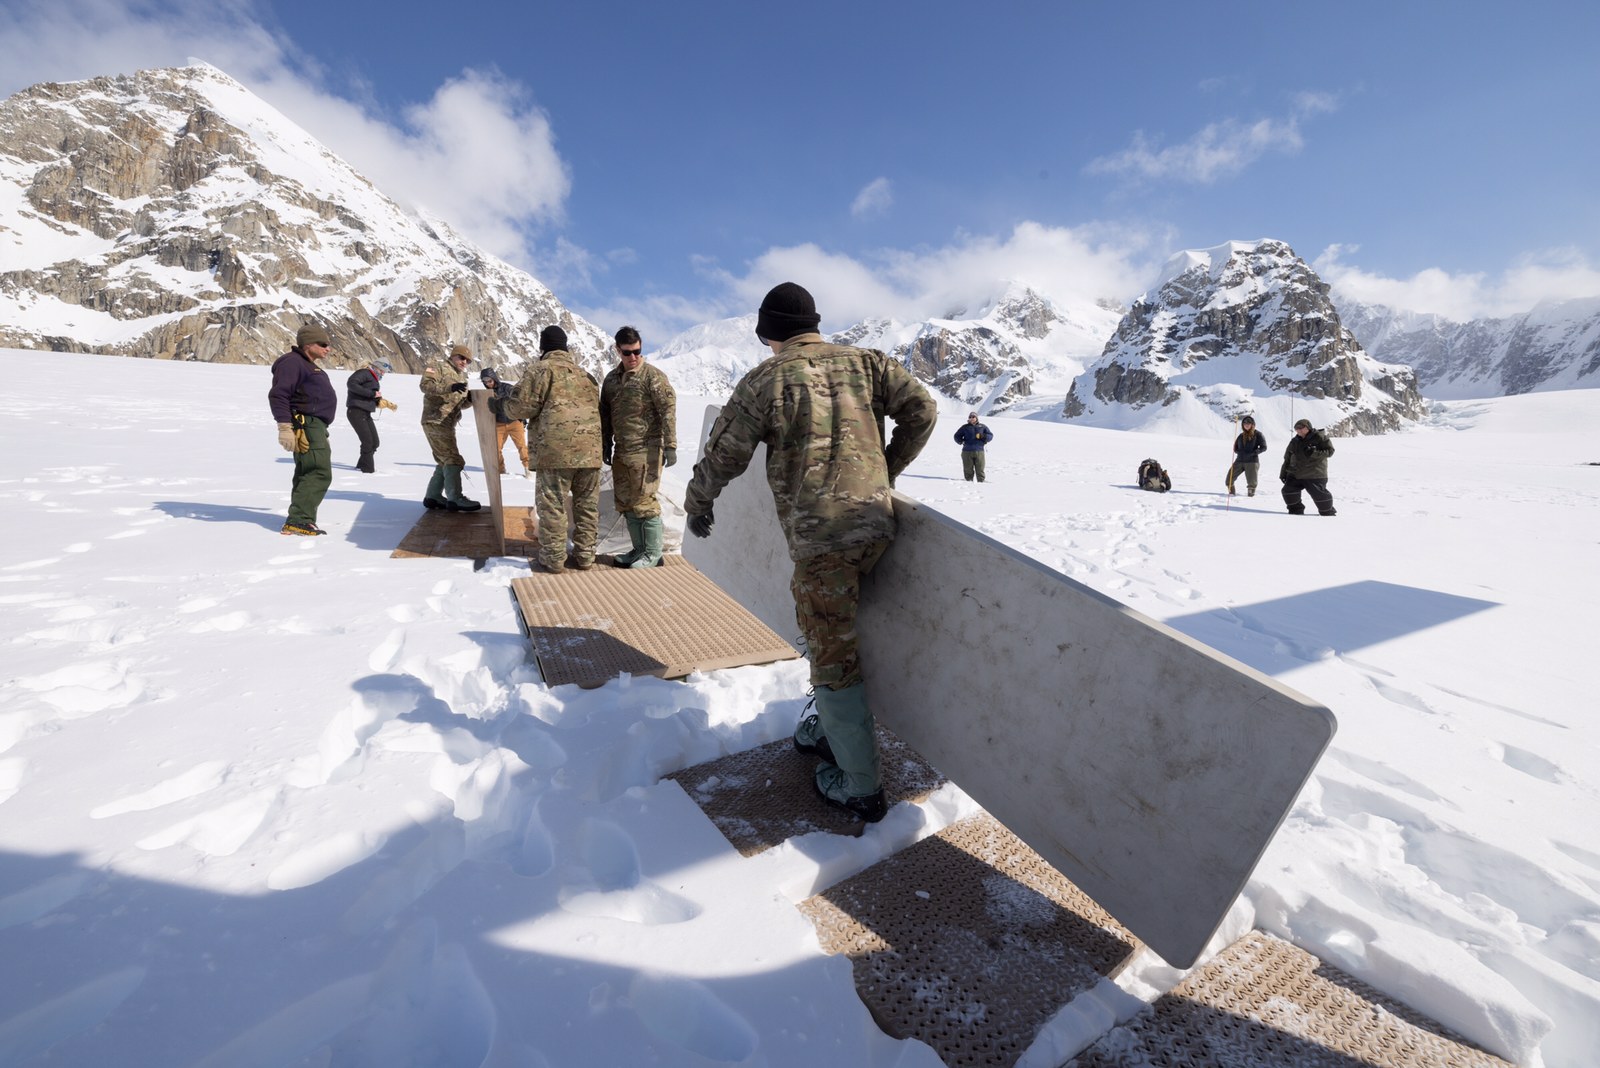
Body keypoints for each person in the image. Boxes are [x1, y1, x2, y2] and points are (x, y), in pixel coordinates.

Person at [684, 282, 937, 822]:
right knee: (836, 631)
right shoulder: (867, 363)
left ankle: (861, 785)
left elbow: (724, 454)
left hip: (823, 542)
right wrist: (884, 471)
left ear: (768, 333)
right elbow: (923, 410)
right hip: (876, 526)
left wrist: (696, 502)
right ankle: (828, 728)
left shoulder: (767, 379)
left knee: (830, 651)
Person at [504, 325, 603, 572]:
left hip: (556, 453)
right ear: (565, 346)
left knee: (553, 506)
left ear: (543, 347)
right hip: (590, 453)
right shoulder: (586, 375)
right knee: (587, 508)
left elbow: (520, 407)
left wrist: (502, 405)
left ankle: (554, 558)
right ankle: (585, 556)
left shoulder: (540, 370)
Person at [600, 325, 678, 568]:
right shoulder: (611, 380)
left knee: (645, 502)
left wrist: (671, 445)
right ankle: (639, 550)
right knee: (626, 502)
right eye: (627, 352)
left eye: (637, 351)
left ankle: (653, 553)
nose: (633, 357)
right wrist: (605, 445)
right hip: (623, 451)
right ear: (617, 350)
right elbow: (605, 413)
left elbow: (668, 410)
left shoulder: (652, 377)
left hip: (647, 450)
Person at [268, 324, 339, 535]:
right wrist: (284, 427)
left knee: (307, 471)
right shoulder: (293, 363)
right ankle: (299, 519)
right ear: (308, 344)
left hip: (314, 425)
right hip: (307, 425)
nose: (328, 349)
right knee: (318, 471)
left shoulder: (306, 364)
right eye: (323, 344)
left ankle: (299, 518)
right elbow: (279, 395)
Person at [419, 344, 481, 512]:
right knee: (453, 459)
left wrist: (471, 399)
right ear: (454, 356)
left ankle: (433, 496)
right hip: (435, 420)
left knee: (444, 459)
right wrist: (449, 387)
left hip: (447, 423)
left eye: (467, 361)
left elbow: (458, 404)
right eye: (461, 358)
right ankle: (455, 498)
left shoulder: (461, 377)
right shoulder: (437, 367)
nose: (464, 362)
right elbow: (425, 386)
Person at [1280, 418, 1337, 516]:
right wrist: (1284, 472)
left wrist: (1314, 453)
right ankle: (1295, 512)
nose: (1298, 430)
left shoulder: (1320, 437)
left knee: (1320, 497)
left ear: (1308, 427)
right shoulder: (1295, 441)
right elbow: (1287, 458)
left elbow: (1330, 451)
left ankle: (1328, 514)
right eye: (1296, 428)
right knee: (1288, 491)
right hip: (1296, 473)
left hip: (1315, 474)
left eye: (1301, 428)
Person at [480, 367, 530, 477]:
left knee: (522, 447)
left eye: (489, 381)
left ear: (494, 378)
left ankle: (527, 469)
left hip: (514, 422)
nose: (488, 384)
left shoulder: (508, 388)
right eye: (485, 382)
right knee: (496, 449)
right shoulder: (487, 394)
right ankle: (501, 471)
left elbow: (519, 402)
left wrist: (523, 418)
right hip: (499, 424)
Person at [345, 359, 392, 473]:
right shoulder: (364, 373)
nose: (383, 373)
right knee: (368, 442)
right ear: (377, 367)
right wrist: (372, 394)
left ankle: (361, 465)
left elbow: (369, 394)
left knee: (375, 442)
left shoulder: (373, 378)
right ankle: (367, 470)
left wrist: (379, 401)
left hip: (365, 412)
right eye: (382, 370)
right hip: (356, 411)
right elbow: (351, 383)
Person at [1228, 415, 1267, 496]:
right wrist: (1238, 452)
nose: (1246, 424)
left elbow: (1264, 447)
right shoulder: (1241, 435)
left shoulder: (1258, 434)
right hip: (1239, 461)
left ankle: (1250, 499)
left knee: (1251, 483)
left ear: (1253, 424)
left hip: (1252, 462)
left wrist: (1254, 452)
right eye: (1244, 423)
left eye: (1249, 423)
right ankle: (1231, 494)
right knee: (1228, 480)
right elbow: (1235, 447)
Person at [953, 412, 993, 482]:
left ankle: (981, 482)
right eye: (970, 417)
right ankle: (968, 482)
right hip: (967, 451)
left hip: (979, 451)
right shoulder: (965, 427)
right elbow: (956, 436)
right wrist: (961, 441)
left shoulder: (982, 427)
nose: (971, 418)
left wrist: (983, 436)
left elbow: (990, 436)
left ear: (976, 418)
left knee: (980, 468)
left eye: (973, 417)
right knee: (967, 468)